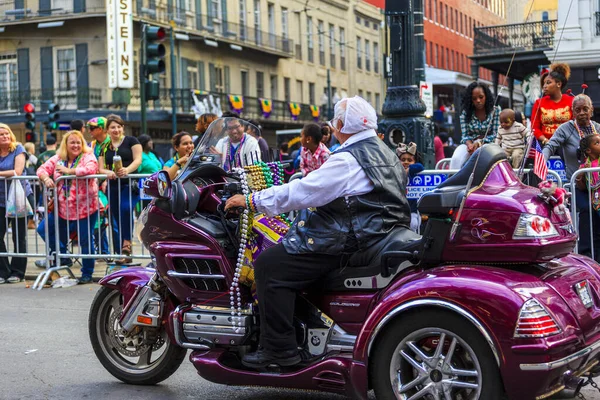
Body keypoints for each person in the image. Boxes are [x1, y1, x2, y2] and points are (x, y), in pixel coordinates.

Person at [224, 96, 411, 368]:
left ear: (344, 125)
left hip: (349, 240)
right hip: (376, 234)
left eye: (336, 121)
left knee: (268, 265)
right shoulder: (385, 152)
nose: (333, 127)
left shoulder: (348, 159)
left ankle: (280, 349)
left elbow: (303, 191)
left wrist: (252, 200)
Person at [36, 130, 99, 283]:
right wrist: (45, 178)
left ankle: (87, 273)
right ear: (66, 144)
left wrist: (69, 171)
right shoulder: (58, 158)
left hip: (85, 207)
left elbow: (91, 169)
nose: (75, 145)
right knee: (43, 229)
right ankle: (63, 256)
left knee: (85, 240)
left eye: (78, 142)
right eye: (72, 142)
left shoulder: (87, 156)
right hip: (62, 208)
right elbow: (41, 169)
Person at [544, 94, 600, 259]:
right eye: (578, 110)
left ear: (591, 110)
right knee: (586, 210)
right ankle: (586, 255)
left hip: (598, 186)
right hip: (578, 185)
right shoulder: (566, 128)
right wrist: (542, 161)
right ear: (572, 112)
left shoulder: (597, 127)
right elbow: (551, 145)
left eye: (585, 109)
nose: (582, 112)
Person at [98, 114, 142, 264]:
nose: (116, 129)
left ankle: (126, 245)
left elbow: (138, 160)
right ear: (107, 130)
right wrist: (108, 172)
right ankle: (122, 252)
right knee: (116, 217)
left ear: (123, 128)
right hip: (113, 185)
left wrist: (127, 170)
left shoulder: (131, 141)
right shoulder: (104, 146)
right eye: (112, 127)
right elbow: (100, 168)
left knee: (126, 209)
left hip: (130, 183)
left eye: (118, 126)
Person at [0, 124, 32, 284]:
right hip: (0, 200)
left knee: (19, 237)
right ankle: (3, 271)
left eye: (6, 133)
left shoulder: (18, 149)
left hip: (18, 199)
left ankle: (18, 272)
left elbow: (17, 172)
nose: (5, 136)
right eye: (1, 135)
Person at [450, 82, 500, 169]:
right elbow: (465, 136)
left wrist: (479, 142)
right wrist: (470, 145)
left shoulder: (495, 110)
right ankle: (453, 180)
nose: (478, 101)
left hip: (489, 145)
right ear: (470, 100)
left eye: (481, 97)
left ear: (486, 96)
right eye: (474, 98)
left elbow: (496, 135)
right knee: (456, 158)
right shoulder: (465, 112)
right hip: (470, 145)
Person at [531, 63, 573, 145]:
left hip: (567, 144)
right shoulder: (538, 103)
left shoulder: (572, 101)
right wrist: (546, 141)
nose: (544, 86)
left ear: (559, 84)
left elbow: (576, 125)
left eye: (548, 82)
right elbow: (534, 128)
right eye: (544, 83)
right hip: (545, 144)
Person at [396, 142, 424, 232]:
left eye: (409, 160)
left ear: (415, 161)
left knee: (413, 223)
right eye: (403, 159)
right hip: (397, 210)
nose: (406, 162)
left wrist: (409, 169)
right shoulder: (394, 170)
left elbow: (420, 166)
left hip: (412, 210)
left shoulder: (413, 170)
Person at [576, 133, 600, 212]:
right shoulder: (584, 167)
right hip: (596, 201)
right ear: (588, 150)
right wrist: (579, 176)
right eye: (597, 143)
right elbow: (582, 187)